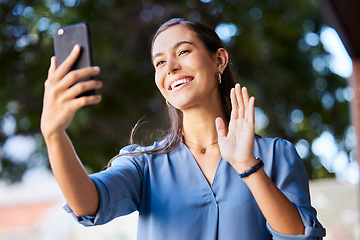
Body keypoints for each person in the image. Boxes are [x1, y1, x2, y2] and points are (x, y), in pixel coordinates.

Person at [40, 18, 326, 240]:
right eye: (160, 62)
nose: (171, 67)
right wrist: (54, 136)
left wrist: (248, 167)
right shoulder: (144, 165)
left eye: (184, 51)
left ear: (219, 61)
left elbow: (301, 236)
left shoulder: (276, 155)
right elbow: (87, 204)